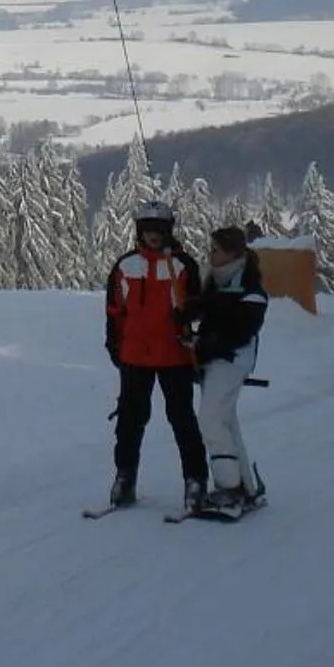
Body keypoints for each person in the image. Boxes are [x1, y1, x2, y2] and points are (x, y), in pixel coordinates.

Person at [100, 199, 210, 515]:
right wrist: (114, 345)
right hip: (135, 356)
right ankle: (125, 477)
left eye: (159, 230)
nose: (153, 236)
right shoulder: (125, 265)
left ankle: (195, 479)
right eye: (148, 230)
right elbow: (114, 311)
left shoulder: (182, 265)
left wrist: (190, 313)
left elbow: (198, 306)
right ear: (139, 232)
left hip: (174, 355)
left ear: (168, 231)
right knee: (130, 421)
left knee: (182, 420)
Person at [190, 224, 269, 516]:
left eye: (216, 250)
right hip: (215, 357)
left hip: (234, 359)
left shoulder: (250, 289)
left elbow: (240, 330)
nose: (210, 255)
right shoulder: (216, 281)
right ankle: (245, 485)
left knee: (210, 419)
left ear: (233, 253)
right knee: (225, 419)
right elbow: (205, 311)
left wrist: (206, 344)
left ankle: (229, 487)